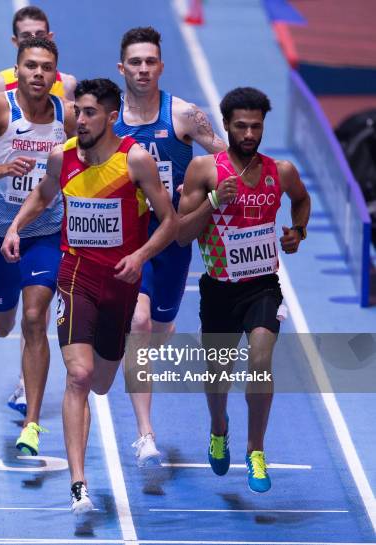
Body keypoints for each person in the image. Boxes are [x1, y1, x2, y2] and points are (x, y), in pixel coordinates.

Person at [1, 79, 179, 514]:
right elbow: (44, 194)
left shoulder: (135, 160)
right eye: (77, 111)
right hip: (76, 275)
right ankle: (78, 483)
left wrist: (140, 256)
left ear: (112, 116)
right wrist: (15, 226)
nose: (79, 120)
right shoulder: (62, 157)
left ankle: (123, 434)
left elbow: (170, 221)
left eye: (89, 113)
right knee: (78, 377)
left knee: (100, 382)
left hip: (120, 281)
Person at [178, 87, 310, 492]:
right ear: (227, 125)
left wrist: (297, 232)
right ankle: (219, 428)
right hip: (218, 289)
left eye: (256, 126)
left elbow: (301, 201)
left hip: (262, 287)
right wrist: (215, 200)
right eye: (241, 126)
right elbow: (182, 233)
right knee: (218, 377)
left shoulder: (281, 170)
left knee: (259, 360)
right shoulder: (204, 170)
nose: (249, 133)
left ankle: (256, 450)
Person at [115, 26, 227, 466]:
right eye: (135, 62)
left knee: (157, 328)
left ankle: (160, 333)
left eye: (150, 62)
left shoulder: (182, 115)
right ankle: (145, 434)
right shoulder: (108, 118)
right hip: (126, 238)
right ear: (121, 68)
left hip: (174, 239)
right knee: (138, 323)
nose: (143, 69)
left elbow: (225, 158)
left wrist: (202, 187)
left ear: (161, 66)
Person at [0, 6, 77, 418]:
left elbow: (86, 166)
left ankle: (31, 416)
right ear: (18, 68)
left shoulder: (70, 115)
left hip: (47, 231)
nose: (38, 74)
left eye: (47, 67)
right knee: (4, 322)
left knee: (34, 318)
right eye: (31, 66)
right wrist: (2, 168)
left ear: (55, 73)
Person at [0, 6, 76, 138]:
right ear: (15, 41)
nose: (33, 40)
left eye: (40, 34)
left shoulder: (67, 84)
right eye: (26, 36)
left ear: (49, 37)